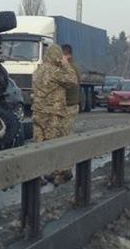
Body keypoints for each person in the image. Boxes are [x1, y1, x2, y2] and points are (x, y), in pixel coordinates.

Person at [32, 44, 78, 185]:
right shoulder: (55, 72)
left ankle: (36, 175)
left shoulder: (38, 71)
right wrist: (65, 65)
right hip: (53, 113)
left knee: (38, 144)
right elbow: (73, 81)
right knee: (54, 143)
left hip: (38, 112)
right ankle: (57, 173)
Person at [62, 44, 81, 134]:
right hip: (68, 104)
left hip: (69, 104)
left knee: (66, 132)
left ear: (68, 55)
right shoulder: (70, 67)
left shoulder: (70, 68)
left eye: (62, 55)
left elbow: (70, 83)